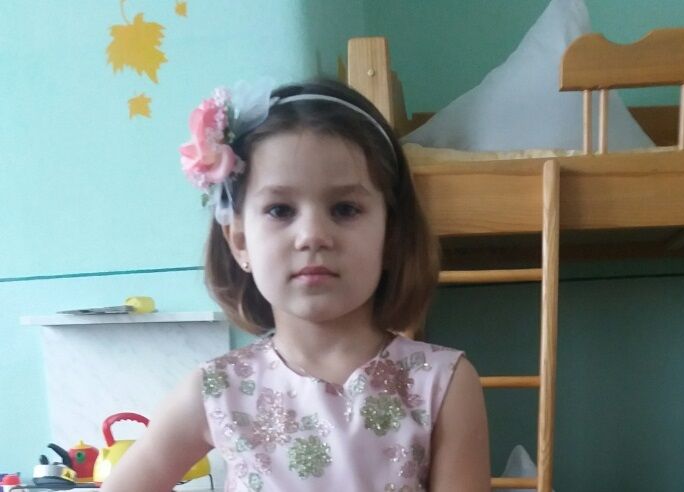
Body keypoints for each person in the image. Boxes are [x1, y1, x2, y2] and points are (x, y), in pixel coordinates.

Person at [101, 79, 491, 491]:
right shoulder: (216, 390)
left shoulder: (442, 385)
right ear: (240, 242)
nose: (313, 236)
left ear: (391, 236)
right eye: (280, 210)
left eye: (345, 209)